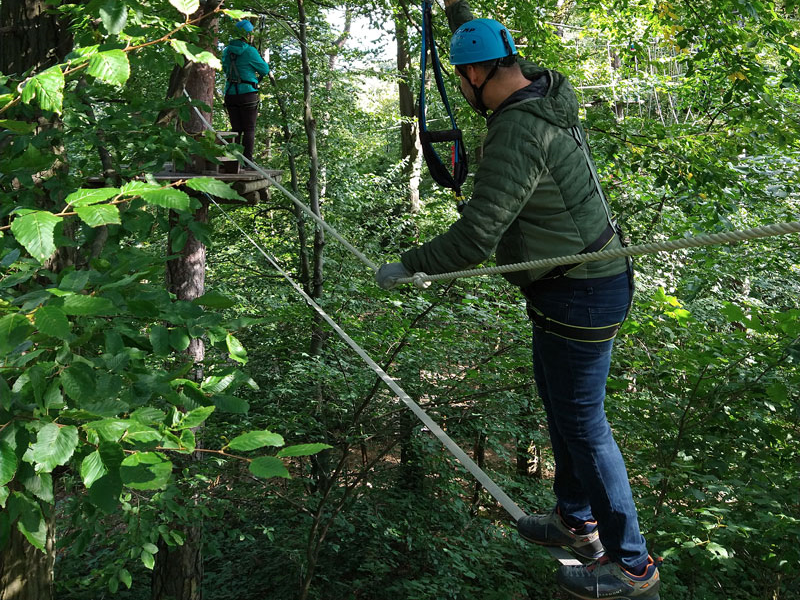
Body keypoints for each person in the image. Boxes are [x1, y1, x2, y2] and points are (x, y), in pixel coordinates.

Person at [376, 1, 661, 598]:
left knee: (584, 426)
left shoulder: (517, 131)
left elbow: (477, 237)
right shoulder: (543, 94)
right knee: (563, 409)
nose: (461, 86)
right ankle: (575, 522)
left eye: (461, 77)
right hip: (572, 286)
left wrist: (410, 265)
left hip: (580, 291)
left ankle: (632, 567)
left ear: (476, 75)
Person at [222, 19, 270, 164]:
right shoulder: (250, 51)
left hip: (230, 94)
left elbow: (225, 69)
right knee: (249, 128)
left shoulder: (226, 51)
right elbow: (265, 70)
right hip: (247, 94)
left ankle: (234, 161)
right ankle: (247, 161)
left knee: (236, 128)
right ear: (248, 35)